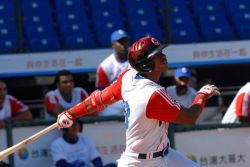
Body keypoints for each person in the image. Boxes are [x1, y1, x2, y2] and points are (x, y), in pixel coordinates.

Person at [57, 36, 220, 167]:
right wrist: (201, 96)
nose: (163, 55)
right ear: (146, 64)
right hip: (139, 163)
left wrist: (70, 113)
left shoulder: (128, 77)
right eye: (157, 54)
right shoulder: (152, 93)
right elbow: (190, 117)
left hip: (165, 155)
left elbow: (97, 100)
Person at [50, 121, 116, 167]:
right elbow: (61, 164)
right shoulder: (57, 144)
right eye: (71, 124)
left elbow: (96, 159)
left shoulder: (86, 140)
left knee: (112, 166)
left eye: (76, 123)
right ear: (63, 128)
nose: (74, 126)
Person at [95, 29, 130, 116]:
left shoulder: (137, 60)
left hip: (134, 97)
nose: (123, 45)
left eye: (125, 41)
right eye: (120, 42)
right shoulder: (105, 66)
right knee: (106, 115)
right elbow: (101, 93)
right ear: (113, 45)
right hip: (114, 102)